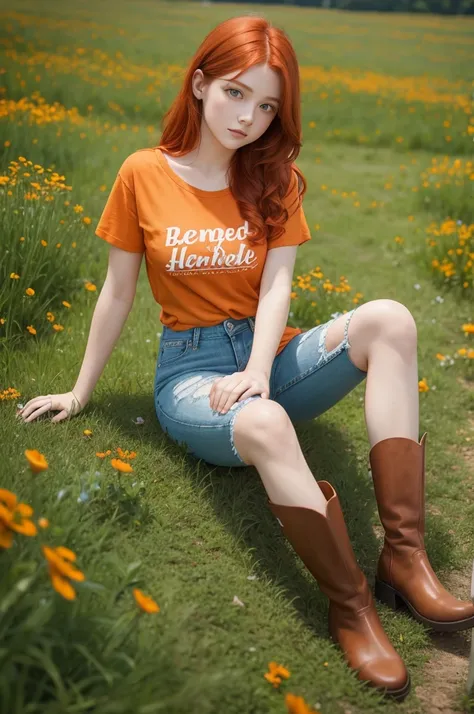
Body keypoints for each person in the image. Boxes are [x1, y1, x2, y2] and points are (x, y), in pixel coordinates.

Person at [16, 14, 474, 702]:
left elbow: (278, 285)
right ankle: (352, 606)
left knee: (391, 320)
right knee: (262, 423)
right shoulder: (142, 173)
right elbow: (116, 294)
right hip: (191, 373)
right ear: (199, 84)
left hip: (266, 353)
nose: (250, 118)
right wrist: (81, 392)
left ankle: (404, 557)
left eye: (267, 106)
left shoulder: (274, 176)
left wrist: (260, 369)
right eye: (236, 93)